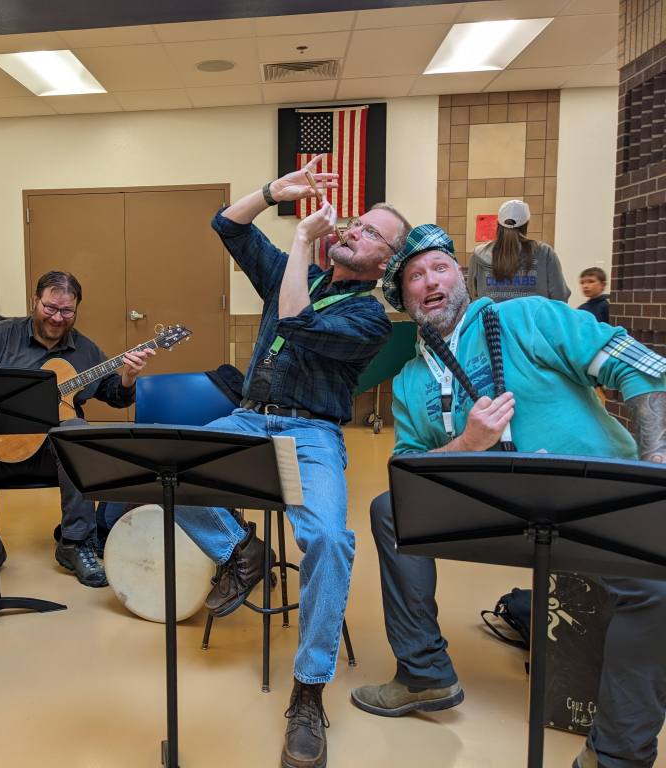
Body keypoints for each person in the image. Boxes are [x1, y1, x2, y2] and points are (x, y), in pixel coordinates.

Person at [355, 224, 666, 768]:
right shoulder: (408, 380)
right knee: (389, 509)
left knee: (658, 589)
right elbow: (408, 471)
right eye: (414, 276)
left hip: (592, 500)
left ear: (462, 277)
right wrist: (468, 443)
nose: (430, 281)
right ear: (404, 299)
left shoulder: (529, 316)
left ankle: (617, 754)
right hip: (490, 512)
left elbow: (641, 369)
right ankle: (424, 674)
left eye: (440, 267)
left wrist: (655, 465)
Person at [167, 156, 410, 768]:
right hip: (250, 417)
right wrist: (275, 193)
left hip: (313, 433)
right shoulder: (292, 268)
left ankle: (308, 694)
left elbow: (297, 320)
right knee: (168, 468)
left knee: (329, 538)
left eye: (372, 232)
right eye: (357, 222)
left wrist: (303, 238)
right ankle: (239, 552)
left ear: (387, 263)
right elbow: (226, 224)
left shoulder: (369, 317)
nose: (354, 229)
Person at [0, 270, 154, 590]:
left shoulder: (86, 351)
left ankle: (75, 543)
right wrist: (3, 386)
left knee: (78, 432)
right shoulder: (1, 334)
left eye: (67, 311)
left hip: (49, 454)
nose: (58, 318)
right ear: (35, 301)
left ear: (76, 309)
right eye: (50, 307)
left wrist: (129, 378)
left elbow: (114, 396)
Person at [467, 199, 570, 302]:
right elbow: (560, 297)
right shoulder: (545, 253)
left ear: (498, 223)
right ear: (526, 224)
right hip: (534, 318)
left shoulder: (478, 255)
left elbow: (471, 296)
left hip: (492, 318)